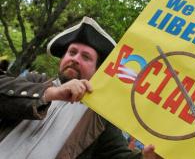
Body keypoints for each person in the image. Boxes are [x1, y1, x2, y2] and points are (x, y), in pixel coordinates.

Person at [0, 16, 161, 159]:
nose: (75, 59)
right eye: (72, 52)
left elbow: (118, 155)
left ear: (97, 71)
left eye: (86, 57)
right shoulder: (35, 81)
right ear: (62, 59)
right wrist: (51, 93)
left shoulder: (99, 117)